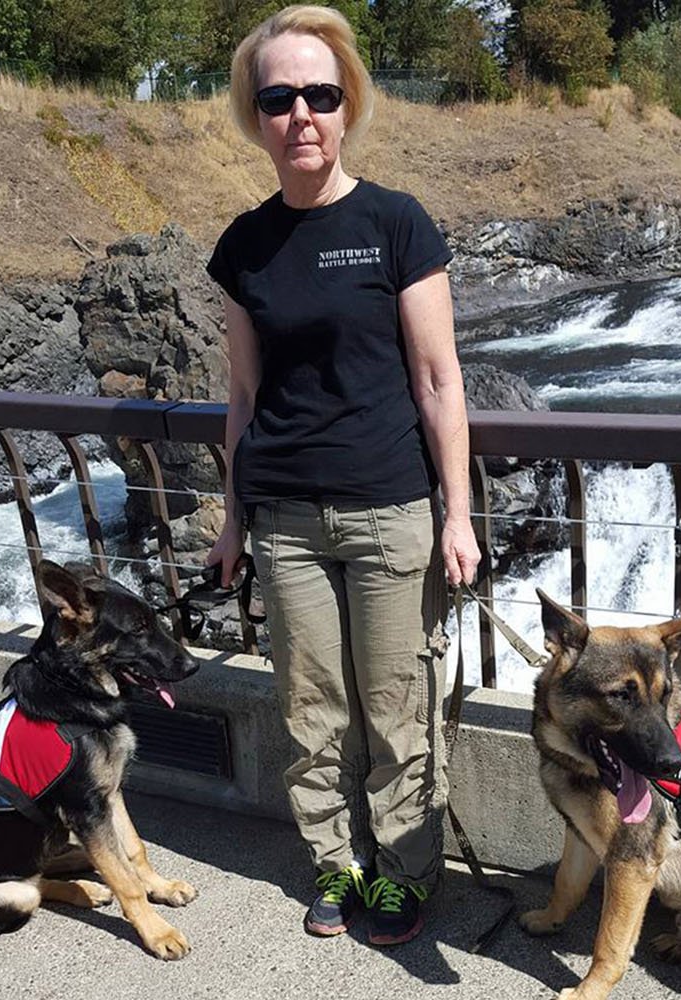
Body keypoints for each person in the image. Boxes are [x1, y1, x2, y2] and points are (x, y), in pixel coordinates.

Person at [204, 4, 480, 948]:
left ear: (347, 103)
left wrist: (458, 516)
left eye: (320, 95)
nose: (302, 117)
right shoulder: (244, 246)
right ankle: (336, 862)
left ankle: (406, 874)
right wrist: (235, 519)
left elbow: (440, 382)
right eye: (279, 98)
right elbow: (241, 396)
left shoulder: (396, 223)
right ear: (257, 113)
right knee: (311, 711)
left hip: (392, 512)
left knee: (399, 714)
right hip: (283, 519)